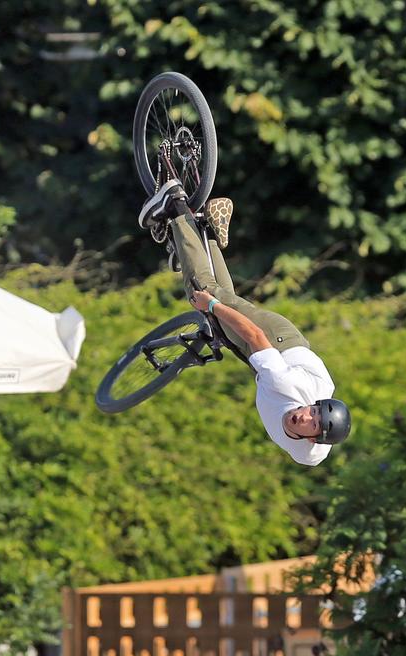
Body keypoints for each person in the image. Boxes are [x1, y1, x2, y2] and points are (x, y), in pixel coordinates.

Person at [135, 180, 351, 466]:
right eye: (313, 411)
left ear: (313, 439)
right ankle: (174, 204)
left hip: (269, 359)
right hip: (276, 341)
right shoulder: (285, 383)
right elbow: (253, 333)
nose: (305, 415)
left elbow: (321, 450)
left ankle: (206, 232)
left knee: (225, 316)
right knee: (205, 292)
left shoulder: (309, 453)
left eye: (311, 423)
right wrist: (210, 305)